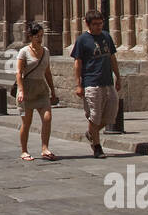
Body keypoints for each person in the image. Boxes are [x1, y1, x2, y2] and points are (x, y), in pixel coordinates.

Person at [71, 8, 122, 159]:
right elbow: (77, 63)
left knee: (110, 115)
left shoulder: (106, 36)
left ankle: (91, 133)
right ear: (88, 24)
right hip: (91, 83)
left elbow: (112, 57)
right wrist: (78, 84)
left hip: (108, 82)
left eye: (101, 23)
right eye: (95, 24)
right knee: (94, 117)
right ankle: (97, 147)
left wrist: (118, 77)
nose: (99, 27)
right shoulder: (82, 40)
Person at [16, 23, 59, 162]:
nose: (40, 39)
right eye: (37, 36)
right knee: (26, 123)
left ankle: (45, 148)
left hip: (41, 89)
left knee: (47, 118)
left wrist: (53, 90)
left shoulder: (46, 51)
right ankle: (24, 151)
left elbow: (47, 72)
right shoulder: (24, 52)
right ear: (31, 36)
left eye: (41, 36)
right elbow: (19, 73)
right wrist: (21, 90)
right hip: (27, 90)